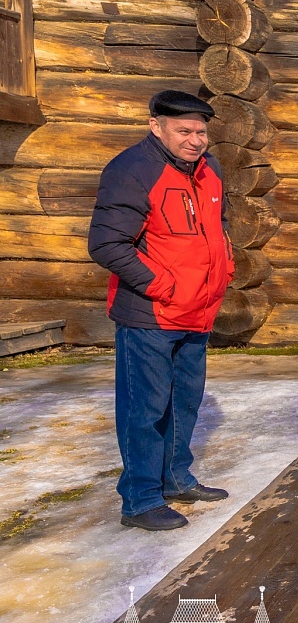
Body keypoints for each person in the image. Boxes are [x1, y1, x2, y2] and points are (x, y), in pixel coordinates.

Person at [87, 90, 233, 532]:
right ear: (157, 127)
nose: (195, 140)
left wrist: (224, 259)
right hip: (150, 314)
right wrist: (162, 285)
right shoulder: (133, 169)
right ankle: (140, 498)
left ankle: (174, 477)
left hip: (198, 312)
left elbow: (216, 224)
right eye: (184, 131)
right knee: (144, 408)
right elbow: (107, 244)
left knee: (184, 402)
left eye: (201, 131)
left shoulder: (210, 170)